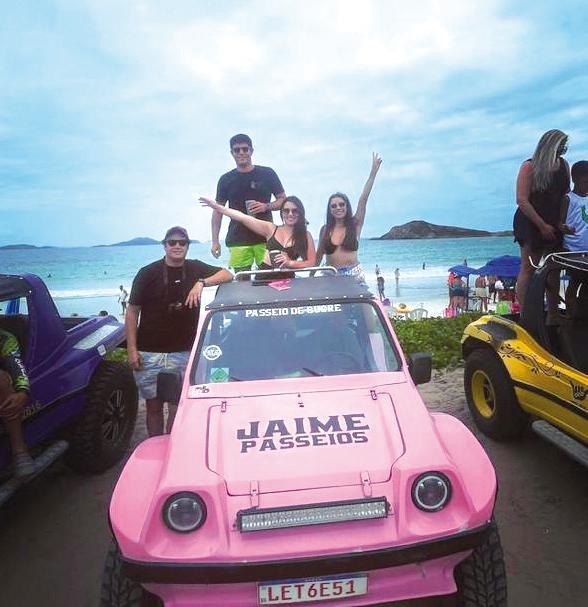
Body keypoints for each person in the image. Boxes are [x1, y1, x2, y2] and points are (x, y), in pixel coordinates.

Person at [126, 226, 232, 436]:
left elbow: (228, 274)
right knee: (154, 407)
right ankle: (155, 444)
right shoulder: (147, 273)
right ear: (164, 245)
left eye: (182, 242)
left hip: (184, 352)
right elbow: (132, 312)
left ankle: (172, 446)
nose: (176, 246)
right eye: (171, 242)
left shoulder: (195, 269)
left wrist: (201, 283)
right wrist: (131, 349)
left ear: (187, 246)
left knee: (178, 407)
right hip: (150, 352)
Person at [513, 129, 570, 315]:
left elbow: (566, 196)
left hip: (554, 221)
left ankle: (552, 313)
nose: (564, 149)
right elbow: (522, 200)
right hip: (530, 221)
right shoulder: (529, 166)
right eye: (561, 145)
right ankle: (526, 313)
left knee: (554, 268)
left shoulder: (563, 165)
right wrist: (541, 225)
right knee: (528, 268)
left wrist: (562, 222)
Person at [211, 134, 286, 273]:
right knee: (241, 283)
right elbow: (217, 211)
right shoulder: (226, 179)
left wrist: (266, 206)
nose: (241, 153)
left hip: (266, 238)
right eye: (237, 150)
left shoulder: (267, 174)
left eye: (245, 149)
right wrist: (215, 241)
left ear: (251, 151)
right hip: (238, 239)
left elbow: (283, 201)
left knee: (270, 279)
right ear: (231, 153)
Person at [200, 195, 316, 272]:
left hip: (287, 280)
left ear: (300, 213)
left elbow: (311, 263)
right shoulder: (271, 228)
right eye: (286, 210)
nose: (290, 214)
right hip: (264, 280)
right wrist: (216, 206)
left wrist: (290, 263)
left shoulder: (306, 235)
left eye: (294, 210)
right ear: (281, 213)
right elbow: (242, 217)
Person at [316, 153, 382, 282]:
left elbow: (364, 198)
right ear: (330, 210)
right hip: (330, 274)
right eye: (334, 206)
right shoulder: (325, 230)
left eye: (341, 204)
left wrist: (373, 173)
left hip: (354, 275)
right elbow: (318, 256)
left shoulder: (355, 223)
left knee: (358, 302)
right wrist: (309, 279)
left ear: (347, 206)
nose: (338, 208)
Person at [0, 329, 35, 479]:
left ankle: (19, 451)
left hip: (5, 390)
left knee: (1, 378)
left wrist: (22, 391)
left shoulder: (5, 339)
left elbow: (16, 366)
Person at [559, 160, 588, 314]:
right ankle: (570, 314)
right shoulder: (568, 199)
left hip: (586, 250)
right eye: (585, 181)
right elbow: (559, 223)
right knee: (574, 281)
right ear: (576, 180)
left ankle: (581, 312)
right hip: (573, 250)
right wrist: (565, 228)